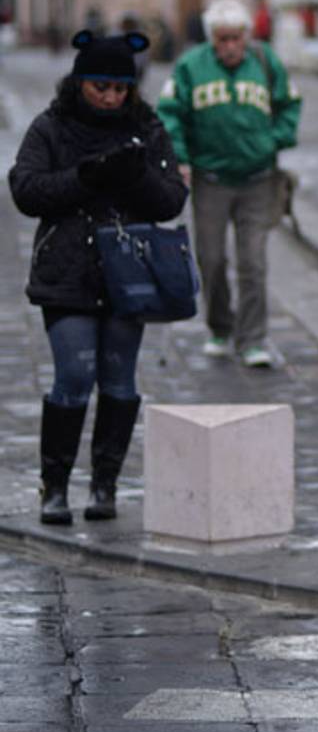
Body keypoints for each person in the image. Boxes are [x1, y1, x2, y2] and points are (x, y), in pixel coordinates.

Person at [8, 30, 188, 526]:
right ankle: (55, 486)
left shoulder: (147, 129)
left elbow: (172, 198)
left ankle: (104, 484)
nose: (110, 97)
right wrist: (85, 177)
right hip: (66, 270)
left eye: (119, 89)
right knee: (74, 375)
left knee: (119, 378)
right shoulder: (52, 127)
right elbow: (25, 189)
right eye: (100, 87)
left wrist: (135, 176)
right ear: (80, 82)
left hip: (129, 273)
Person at [156, 0, 302, 369]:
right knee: (213, 259)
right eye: (222, 39)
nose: (230, 47)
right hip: (211, 180)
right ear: (211, 39)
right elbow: (170, 114)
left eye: (237, 38)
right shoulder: (191, 66)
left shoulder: (265, 62)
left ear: (246, 37)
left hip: (258, 179)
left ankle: (252, 339)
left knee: (253, 262)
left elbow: (290, 104)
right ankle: (220, 327)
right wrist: (180, 157)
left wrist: (275, 140)